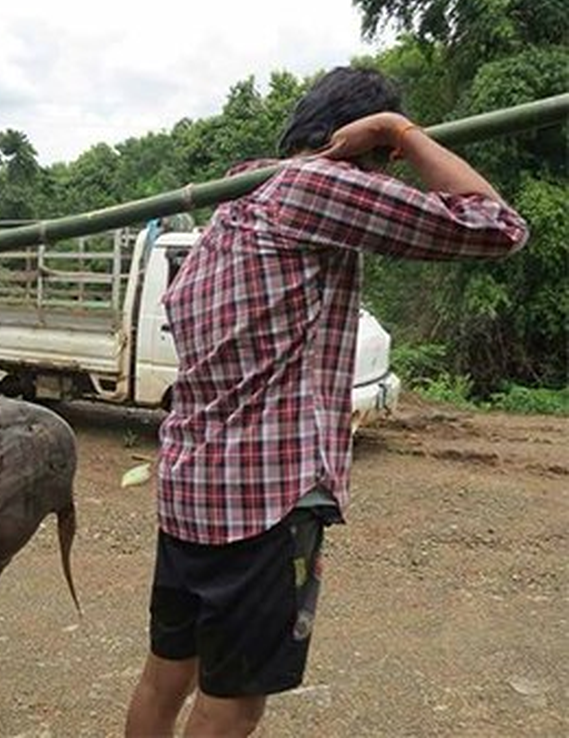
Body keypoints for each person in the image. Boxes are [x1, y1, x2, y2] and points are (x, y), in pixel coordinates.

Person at [124, 67, 529, 738]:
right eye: (386, 161)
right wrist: (402, 131)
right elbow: (496, 227)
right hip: (262, 503)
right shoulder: (317, 185)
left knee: (166, 675)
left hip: (188, 489)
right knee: (231, 701)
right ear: (367, 150)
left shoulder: (238, 195)